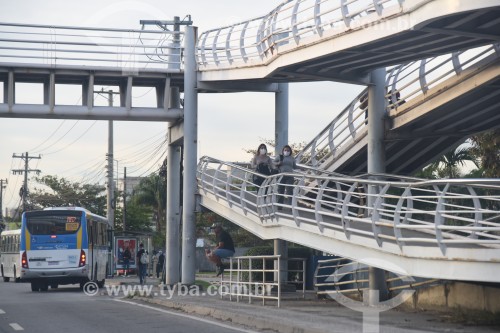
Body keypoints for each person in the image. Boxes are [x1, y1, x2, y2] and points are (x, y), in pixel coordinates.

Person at [274, 145, 299, 210]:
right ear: (283, 151)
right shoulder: (280, 157)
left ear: (290, 151)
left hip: (290, 176)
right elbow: (273, 163)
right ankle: (279, 205)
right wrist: (278, 163)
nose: (286, 151)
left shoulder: (292, 158)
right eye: (285, 150)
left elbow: (294, 166)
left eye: (288, 150)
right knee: (280, 190)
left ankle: (291, 206)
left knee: (289, 191)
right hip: (281, 176)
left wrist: (302, 169)